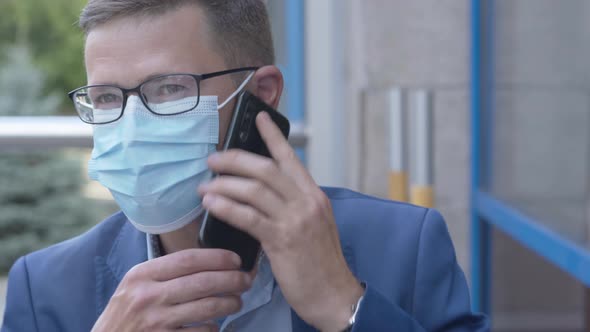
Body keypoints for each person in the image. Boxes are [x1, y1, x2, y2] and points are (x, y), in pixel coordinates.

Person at [1, 1, 488, 331]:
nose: (131, 124)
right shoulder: (44, 289)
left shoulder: (406, 245)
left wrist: (348, 308)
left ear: (262, 95)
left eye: (169, 88)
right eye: (107, 97)